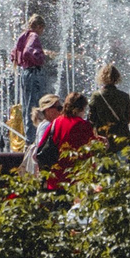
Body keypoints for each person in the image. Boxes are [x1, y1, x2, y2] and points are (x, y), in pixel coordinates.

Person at [33, 93, 96, 191]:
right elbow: (90, 153)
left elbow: (41, 148)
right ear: (81, 108)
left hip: (54, 179)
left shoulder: (56, 122)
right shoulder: (84, 125)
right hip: (76, 180)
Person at [10, 13, 48, 143]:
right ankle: (33, 140)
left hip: (25, 73)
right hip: (33, 74)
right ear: (38, 26)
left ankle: (28, 138)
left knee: (27, 106)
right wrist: (40, 57)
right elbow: (28, 52)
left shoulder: (23, 35)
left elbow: (13, 54)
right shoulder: (33, 35)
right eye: (42, 29)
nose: (42, 32)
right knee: (35, 106)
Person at [89, 62, 130, 146]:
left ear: (101, 77)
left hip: (103, 139)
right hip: (122, 138)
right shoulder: (124, 96)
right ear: (117, 77)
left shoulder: (97, 96)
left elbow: (92, 119)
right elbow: (127, 119)